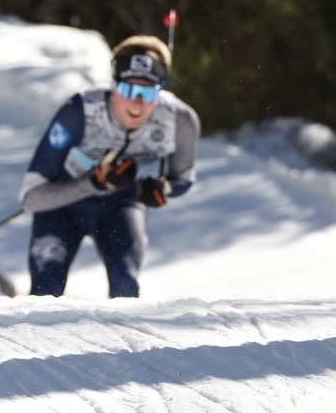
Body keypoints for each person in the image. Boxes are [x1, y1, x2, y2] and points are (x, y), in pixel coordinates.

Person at [20, 35, 201, 297]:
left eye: (148, 92)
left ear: (160, 91)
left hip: (121, 205)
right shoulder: (79, 111)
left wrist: (163, 188)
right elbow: (31, 197)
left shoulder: (179, 120)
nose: (137, 104)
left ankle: (127, 338)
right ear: (113, 86)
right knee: (45, 288)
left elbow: (184, 177)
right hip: (63, 206)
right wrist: (92, 183)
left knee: (125, 284)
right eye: (129, 90)